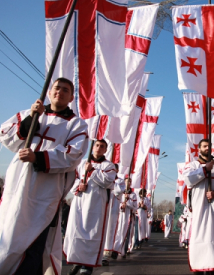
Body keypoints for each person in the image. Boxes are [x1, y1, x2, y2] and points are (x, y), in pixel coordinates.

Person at [0, 78, 89, 275]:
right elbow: (6, 137)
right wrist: (31, 118)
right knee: (8, 230)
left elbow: (73, 155)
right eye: (57, 88)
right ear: (49, 92)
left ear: (71, 97)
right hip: (18, 182)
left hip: (46, 190)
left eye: (65, 90)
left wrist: (37, 157)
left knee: (33, 239)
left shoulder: (76, 124)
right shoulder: (29, 113)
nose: (60, 92)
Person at [64, 139, 117, 275]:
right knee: (76, 231)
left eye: (102, 146)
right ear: (93, 147)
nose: (99, 148)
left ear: (106, 150)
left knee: (92, 232)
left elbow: (107, 181)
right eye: (97, 145)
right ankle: (76, 260)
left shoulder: (108, 165)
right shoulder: (82, 163)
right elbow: (72, 179)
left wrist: (92, 170)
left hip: (96, 204)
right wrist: (78, 187)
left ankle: (87, 265)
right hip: (80, 201)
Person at [183, 138, 214, 274]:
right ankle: (198, 268)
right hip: (199, 210)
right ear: (199, 149)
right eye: (204, 146)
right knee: (198, 239)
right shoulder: (192, 165)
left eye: (209, 146)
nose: (207, 148)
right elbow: (187, 178)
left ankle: (213, 269)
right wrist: (205, 169)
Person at [102, 164, 125, 266]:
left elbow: (118, 191)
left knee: (110, 231)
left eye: (114, 169)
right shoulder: (105, 177)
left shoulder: (120, 181)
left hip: (113, 210)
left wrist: (110, 182)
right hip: (102, 207)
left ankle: (106, 256)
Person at [112, 176, 137, 258]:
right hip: (119, 215)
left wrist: (128, 202)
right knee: (117, 232)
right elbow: (116, 203)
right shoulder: (119, 192)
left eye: (130, 182)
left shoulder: (133, 195)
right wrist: (121, 205)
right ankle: (114, 250)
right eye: (127, 181)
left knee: (125, 234)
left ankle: (121, 250)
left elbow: (135, 207)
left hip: (128, 216)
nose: (128, 183)